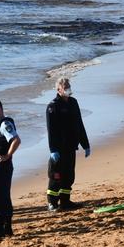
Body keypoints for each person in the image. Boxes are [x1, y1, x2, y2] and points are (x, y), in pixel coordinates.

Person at [46, 78, 91, 212]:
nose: (68, 89)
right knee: (56, 177)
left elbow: (79, 124)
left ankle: (65, 201)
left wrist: (85, 144)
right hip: (58, 149)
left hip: (71, 146)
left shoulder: (73, 102)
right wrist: (53, 149)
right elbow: (51, 130)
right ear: (58, 89)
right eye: (65, 87)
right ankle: (52, 203)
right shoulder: (52, 106)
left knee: (69, 176)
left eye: (69, 86)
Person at [0, 99, 21, 237]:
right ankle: (6, 227)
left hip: (1, 166)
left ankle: (0, 227)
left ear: (0, 109)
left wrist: (7, 155)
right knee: (2, 196)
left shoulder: (4, 124)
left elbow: (16, 140)